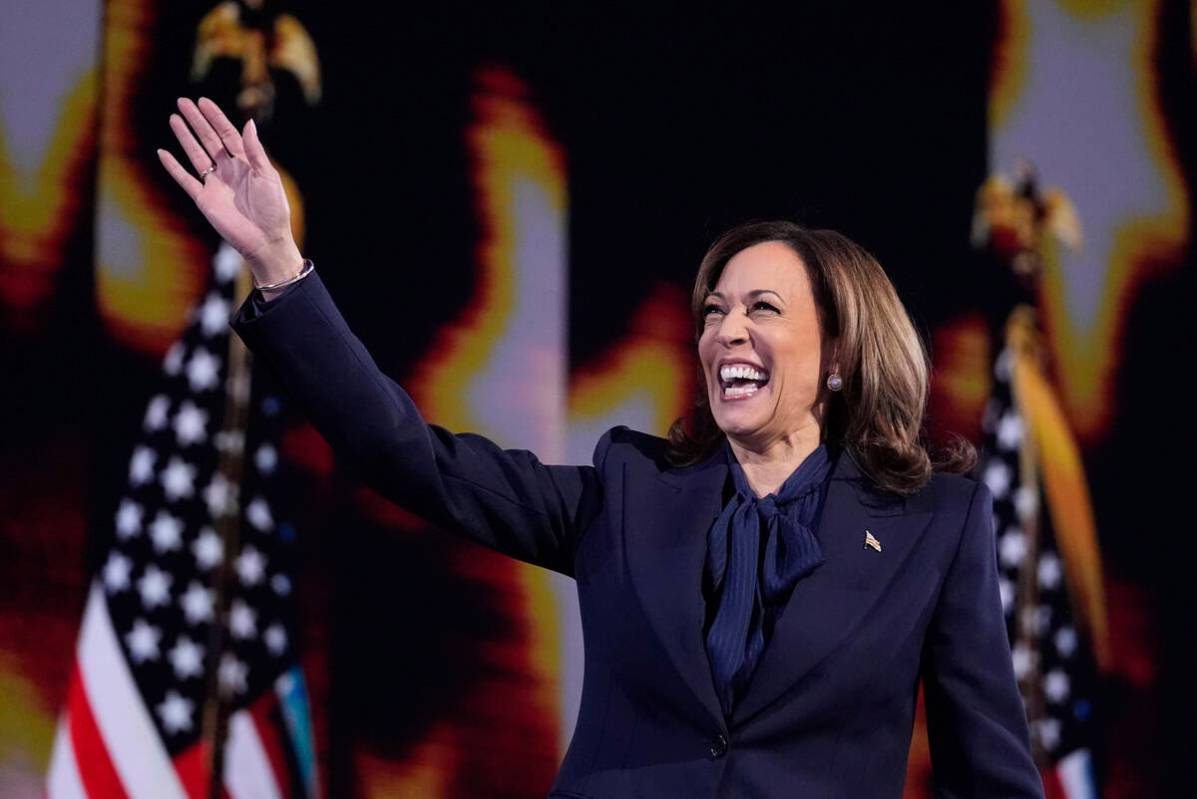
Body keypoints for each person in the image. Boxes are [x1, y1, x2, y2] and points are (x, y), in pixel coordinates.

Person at [158, 96, 1044, 798]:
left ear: (841, 356)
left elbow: (990, 775)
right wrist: (279, 263)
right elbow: (406, 455)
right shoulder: (629, 489)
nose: (724, 331)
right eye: (713, 311)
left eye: (760, 310)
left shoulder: (933, 525)